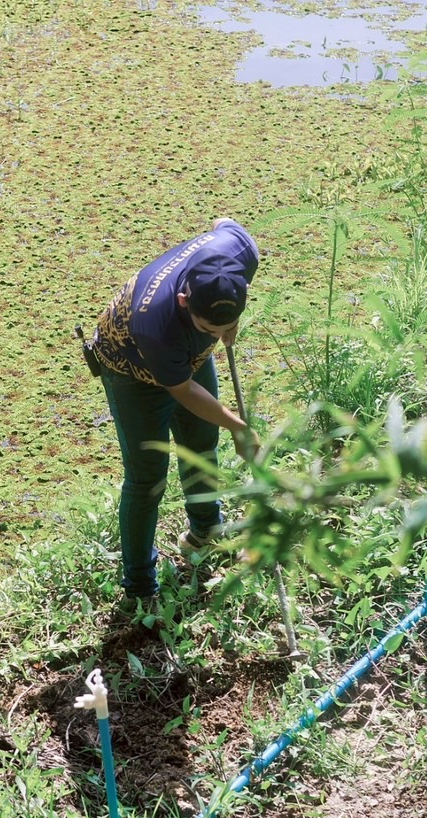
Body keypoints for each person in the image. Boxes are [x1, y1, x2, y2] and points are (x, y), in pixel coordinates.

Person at [89, 217, 261, 610]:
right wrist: (237, 425)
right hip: (130, 365)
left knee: (201, 442)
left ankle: (205, 531)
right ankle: (139, 587)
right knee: (148, 477)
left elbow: (224, 222)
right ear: (186, 301)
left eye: (226, 325)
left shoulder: (237, 250)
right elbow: (181, 389)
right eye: (210, 327)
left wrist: (227, 325)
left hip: (184, 352)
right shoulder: (158, 322)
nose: (219, 335)